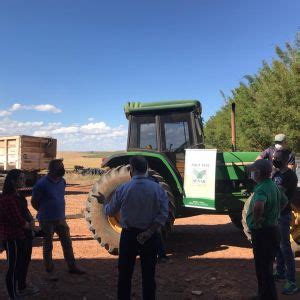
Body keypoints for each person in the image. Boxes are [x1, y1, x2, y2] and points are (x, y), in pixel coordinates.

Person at [97, 156, 169, 300]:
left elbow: (110, 211)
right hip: (150, 236)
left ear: (132, 169)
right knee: (149, 274)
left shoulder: (124, 188)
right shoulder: (158, 189)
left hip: (129, 236)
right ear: (146, 169)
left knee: (125, 274)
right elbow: (163, 215)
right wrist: (149, 232)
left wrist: (105, 203)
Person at [31, 159, 85, 280]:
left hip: (61, 219)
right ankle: (49, 271)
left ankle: (72, 267)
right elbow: (34, 202)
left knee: (67, 243)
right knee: (48, 245)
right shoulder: (42, 184)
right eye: (60, 167)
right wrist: (44, 211)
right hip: (46, 220)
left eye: (63, 166)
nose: (63, 169)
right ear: (52, 169)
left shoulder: (62, 181)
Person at [246, 159, 288, 300]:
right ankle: (264, 295)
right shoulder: (273, 185)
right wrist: (273, 214)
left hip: (263, 233)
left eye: (253, 171)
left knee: (264, 269)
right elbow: (284, 201)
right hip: (272, 230)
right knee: (266, 267)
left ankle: (267, 297)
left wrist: (257, 220)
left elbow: (258, 206)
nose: (251, 173)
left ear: (258, 173)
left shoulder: (262, 188)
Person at [0, 169, 34, 299]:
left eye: (23, 178)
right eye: (21, 178)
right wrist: (31, 226)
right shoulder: (7, 199)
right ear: (13, 181)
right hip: (12, 237)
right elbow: (17, 220)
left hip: (20, 236)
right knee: (12, 268)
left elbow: (25, 213)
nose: (24, 181)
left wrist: (30, 222)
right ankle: (12, 296)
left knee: (19, 264)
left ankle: (18, 290)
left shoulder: (17, 195)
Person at [272, 149, 298, 295]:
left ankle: (292, 281)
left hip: (283, 214)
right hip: (275, 214)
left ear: (285, 159)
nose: (274, 158)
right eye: (274, 156)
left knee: (285, 247)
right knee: (277, 245)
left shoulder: (290, 176)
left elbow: (277, 191)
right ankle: (280, 272)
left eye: (277, 157)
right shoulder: (276, 174)